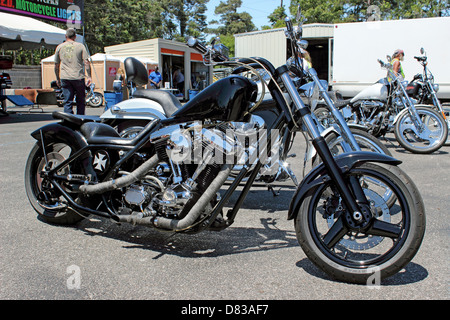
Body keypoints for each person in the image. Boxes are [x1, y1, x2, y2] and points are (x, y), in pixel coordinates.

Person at [54, 28, 91, 115]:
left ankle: (69, 121)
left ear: (66, 36)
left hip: (65, 77)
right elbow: (86, 62)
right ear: (75, 36)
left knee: (67, 102)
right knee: (80, 101)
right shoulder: (80, 46)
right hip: (78, 77)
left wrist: (57, 78)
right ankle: (80, 119)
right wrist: (89, 76)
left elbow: (56, 65)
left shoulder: (59, 47)